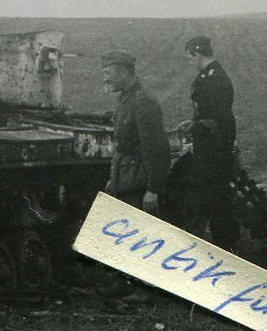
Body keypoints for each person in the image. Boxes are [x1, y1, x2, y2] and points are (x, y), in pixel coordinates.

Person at [177, 36, 241, 251]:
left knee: (217, 199)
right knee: (209, 196)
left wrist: (197, 127)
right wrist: (194, 123)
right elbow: (206, 113)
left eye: (190, 57)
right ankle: (220, 243)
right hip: (208, 146)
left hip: (215, 149)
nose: (189, 62)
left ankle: (227, 247)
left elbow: (219, 119)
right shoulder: (208, 76)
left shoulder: (215, 79)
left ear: (197, 54)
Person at [101, 50, 171, 213]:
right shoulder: (125, 98)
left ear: (124, 72)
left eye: (107, 73)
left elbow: (156, 148)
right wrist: (115, 180)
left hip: (139, 183)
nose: (105, 79)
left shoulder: (143, 102)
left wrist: (153, 190)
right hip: (126, 179)